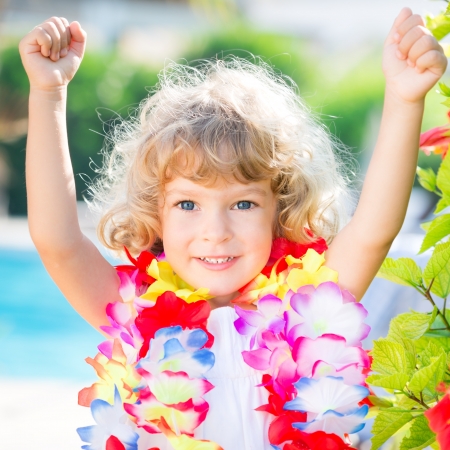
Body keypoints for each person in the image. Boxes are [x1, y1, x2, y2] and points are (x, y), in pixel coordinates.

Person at [19, 7, 447, 450]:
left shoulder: (304, 315)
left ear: (279, 210)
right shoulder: (138, 318)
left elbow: (375, 229)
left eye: (243, 203)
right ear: (156, 213)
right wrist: (48, 94)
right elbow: (59, 242)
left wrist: (403, 99)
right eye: (188, 204)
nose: (216, 230)